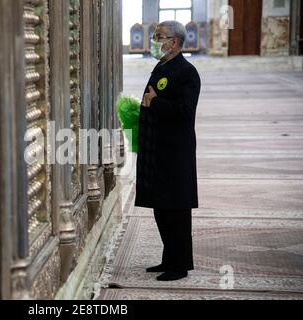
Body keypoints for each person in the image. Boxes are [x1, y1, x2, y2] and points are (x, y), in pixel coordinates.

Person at [134, 20, 201, 281]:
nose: (154, 40)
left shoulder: (187, 72)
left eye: (159, 36)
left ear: (174, 42)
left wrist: (155, 103)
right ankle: (168, 258)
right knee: (161, 206)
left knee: (177, 209)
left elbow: (185, 112)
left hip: (176, 153)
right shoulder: (163, 66)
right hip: (158, 149)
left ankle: (180, 265)